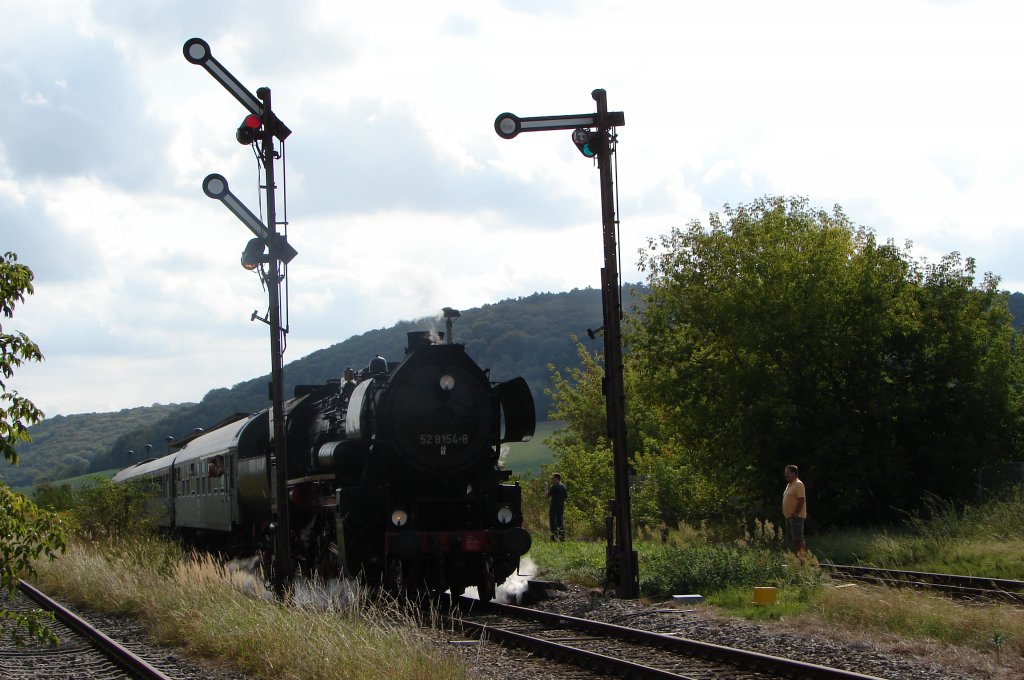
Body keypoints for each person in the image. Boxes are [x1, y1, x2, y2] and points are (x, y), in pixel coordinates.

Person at [782, 464, 807, 559]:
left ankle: (803, 560)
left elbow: (801, 499)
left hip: (796, 517)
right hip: (789, 517)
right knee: (794, 540)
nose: (785, 475)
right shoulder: (789, 485)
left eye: (787, 473)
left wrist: (796, 512)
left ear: (793, 473)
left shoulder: (798, 484)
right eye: (785, 473)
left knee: (798, 539)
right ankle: (798, 559)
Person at [545, 473, 568, 541]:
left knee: (553, 524)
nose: (552, 479)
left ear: (556, 478)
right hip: (560, 508)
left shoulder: (554, 486)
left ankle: (554, 539)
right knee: (560, 524)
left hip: (553, 508)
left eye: (553, 478)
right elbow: (566, 498)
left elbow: (546, 496)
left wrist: (546, 487)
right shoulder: (563, 486)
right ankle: (562, 538)